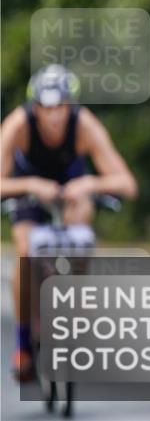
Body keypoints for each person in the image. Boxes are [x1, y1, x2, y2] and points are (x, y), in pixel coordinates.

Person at [0, 64, 138, 381]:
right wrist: (29, 186)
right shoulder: (18, 125)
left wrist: (90, 183)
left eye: (61, 106)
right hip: (29, 194)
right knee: (24, 252)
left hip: (71, 188)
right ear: (36, 107)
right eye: (47, 108)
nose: (54, 116)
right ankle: (23, 344)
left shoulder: (85, 125)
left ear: (71, 105)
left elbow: (126, 183)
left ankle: (76, 305)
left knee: (81, 224)